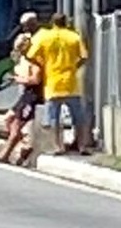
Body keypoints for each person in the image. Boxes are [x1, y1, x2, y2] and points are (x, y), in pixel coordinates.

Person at [28, 12, 91, 155]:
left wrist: (43, 64)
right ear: (66, 22)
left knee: (54, 118)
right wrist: (75, 66)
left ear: (52, 22)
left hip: (52, 82)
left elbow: (30, 56)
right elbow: (84, 56)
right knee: (78, 118)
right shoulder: (74, 37)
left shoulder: (45, 38)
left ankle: (58, 146)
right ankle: (81, 145)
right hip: (71, 82)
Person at [0, 12, 42, 164]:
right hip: (24, 94)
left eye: (21, 47)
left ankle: (6, 154)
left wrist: (20, 79)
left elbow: (35, 79)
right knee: (9, 119)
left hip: (31, 95)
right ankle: (25, 144)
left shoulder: (35, 60)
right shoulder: (23, 60)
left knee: (16, 125)